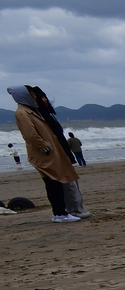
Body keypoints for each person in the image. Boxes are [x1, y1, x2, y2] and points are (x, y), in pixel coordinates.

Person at [8, 85, 85, 221]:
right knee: (53, 183)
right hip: (44, 154)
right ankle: (59, 214)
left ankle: (61, 212)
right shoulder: (22, 113)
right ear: (24, 96)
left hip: (49, 153)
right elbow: (30, 135)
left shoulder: (31, 111)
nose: (35, 97)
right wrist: (45, 146)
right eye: (32, 95)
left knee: (55, 183)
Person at [30, 86, 88, 218]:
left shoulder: (48, 114)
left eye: (44, 97)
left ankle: (76, 209)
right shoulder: (39, 116)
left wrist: (69, 154)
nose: (44, 100)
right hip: (56, 153)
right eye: (41, 98)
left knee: (71, 183)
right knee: (67, 183)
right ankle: (74, 210)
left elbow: (60, 136)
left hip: (62, 151)